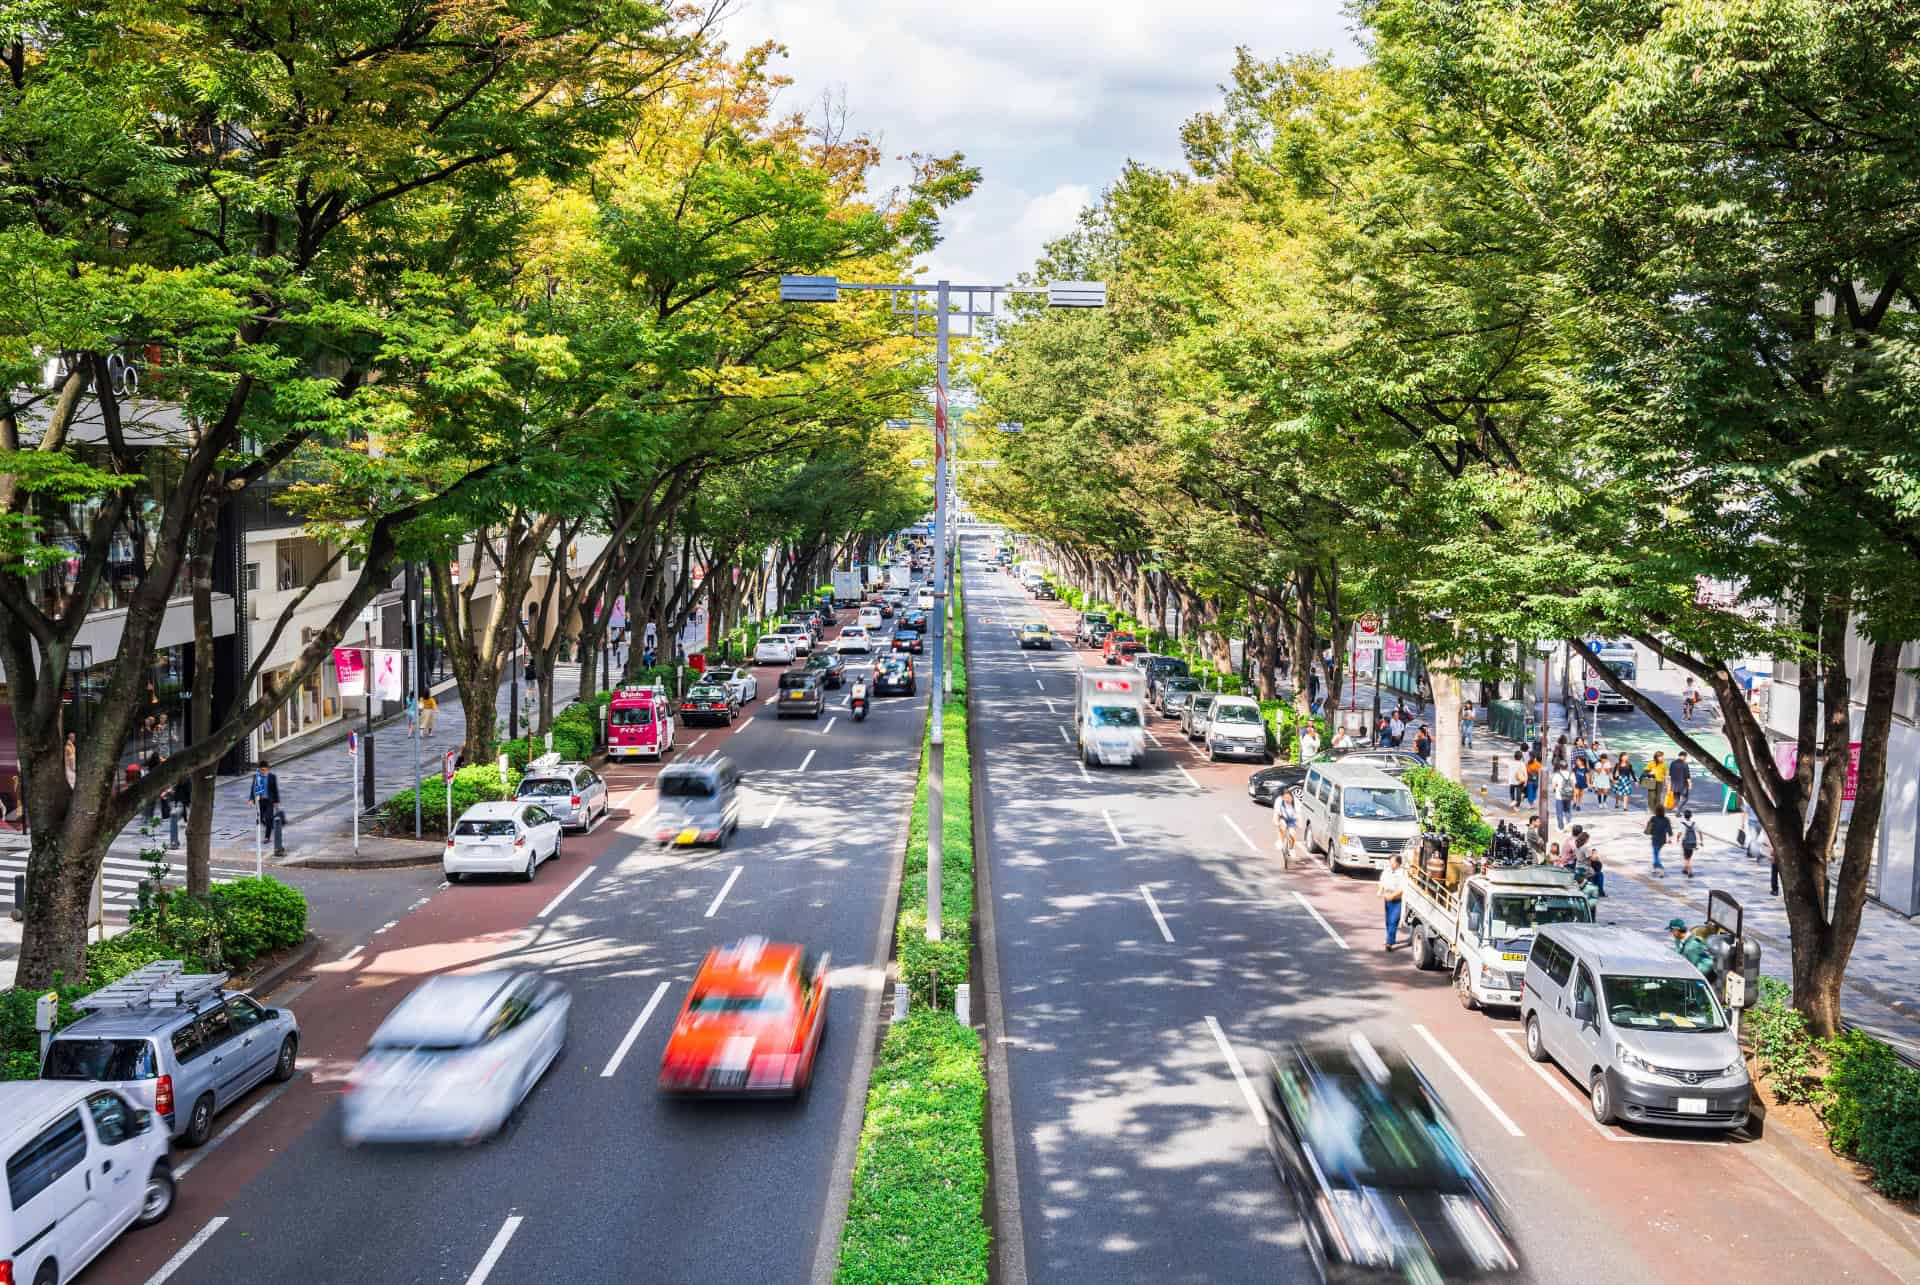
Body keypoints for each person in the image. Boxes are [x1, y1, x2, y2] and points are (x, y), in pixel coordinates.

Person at [1379, 853, 1406, 951]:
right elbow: (1382, 882)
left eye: (1392, 862)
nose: (1390, 864)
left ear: (1398, 863)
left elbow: (1402, 888)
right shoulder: (1387, 871)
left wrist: (1392, 896)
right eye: (1390, 862)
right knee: (1388, 921)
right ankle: (1390, 939)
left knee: (1393, 921)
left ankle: (1389, 942)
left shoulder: (1402, 873)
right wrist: (1380, 890)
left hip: (1397, 900)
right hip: (1387, 899)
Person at [249, 759, 280, 835]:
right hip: (260, 801)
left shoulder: (272, 777)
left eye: (265, 770)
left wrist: (276, 801)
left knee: (268, 817)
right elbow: (253, 788)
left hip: (269, 801)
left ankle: (267, 837)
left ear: (268, 769)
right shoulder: (256, 777)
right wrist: (251, 799)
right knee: (261, 818)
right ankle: (270, 825)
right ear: (259, 770)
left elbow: (275, 789)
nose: (263, 772)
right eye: (262, 770)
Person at [1275, 789, 1300, 866]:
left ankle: (1291, 848)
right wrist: (1276, 821)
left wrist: (1299, 823)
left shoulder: (1296, 802)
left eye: (1288, 798)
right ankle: (1280, 840)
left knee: (1292, 833)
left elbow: (1299, 814)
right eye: (1285, 798)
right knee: (1282, 826)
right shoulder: (1279, 800)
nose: (1287, 800)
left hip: (1292, 819)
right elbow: (1276, 812)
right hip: (1283, 817)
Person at [1646, 804, 1672, 875]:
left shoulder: (1653, 818)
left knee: (1655, 853)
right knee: (1656, 853)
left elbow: (1649, 827)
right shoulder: (1666, 819)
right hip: (1663, 839)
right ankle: (1654, 867)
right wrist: (1669, 839)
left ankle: (1660, 867)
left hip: (1655, 838)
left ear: (1656, 811)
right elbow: (1669, 830)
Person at [168, 772, 190, 850]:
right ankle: (175, 842)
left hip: (181, 804)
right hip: (181, 804)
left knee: (175, 819)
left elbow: (187, 793)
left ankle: (175, 843)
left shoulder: (184, 781)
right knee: (177, 821)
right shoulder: (183, 780)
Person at [1552, 764, 1575, 830]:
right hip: (1568, 795)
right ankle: (1568, 823)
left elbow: (1553, 786)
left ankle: (1560, 827)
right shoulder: (1571, 774)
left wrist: (1554, 789)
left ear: (1560, 767)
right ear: (1567, 767)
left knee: (1559, 812)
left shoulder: (1557, 774)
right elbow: (1574, 785)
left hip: (1559, 796)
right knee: (1567, 810)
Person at [1679, 809, 1700, 878]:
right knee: (1688, 857)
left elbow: (1679, 833)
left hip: (1685, 842)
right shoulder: (1694, 823)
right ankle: (1685, 869)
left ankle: (1690, 871)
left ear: (1684, 816)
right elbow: (1699, 832)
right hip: (1693, 843)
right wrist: (1701, 841)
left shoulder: (1682, 824)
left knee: (1686, 858)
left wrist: (1677, 838)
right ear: (1691, 816)